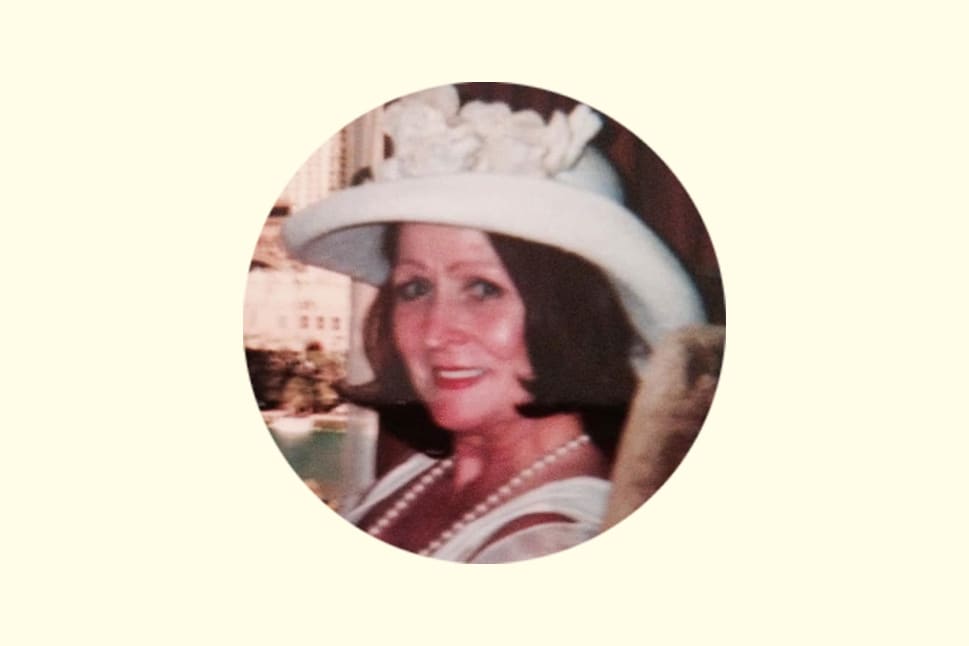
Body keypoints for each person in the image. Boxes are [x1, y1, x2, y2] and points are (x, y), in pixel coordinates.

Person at [282, 85, 720, 563]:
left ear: (574, 310)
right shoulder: (425, 473)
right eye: (415, 288)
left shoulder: (553, 542)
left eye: (483, 289)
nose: (434, 332)